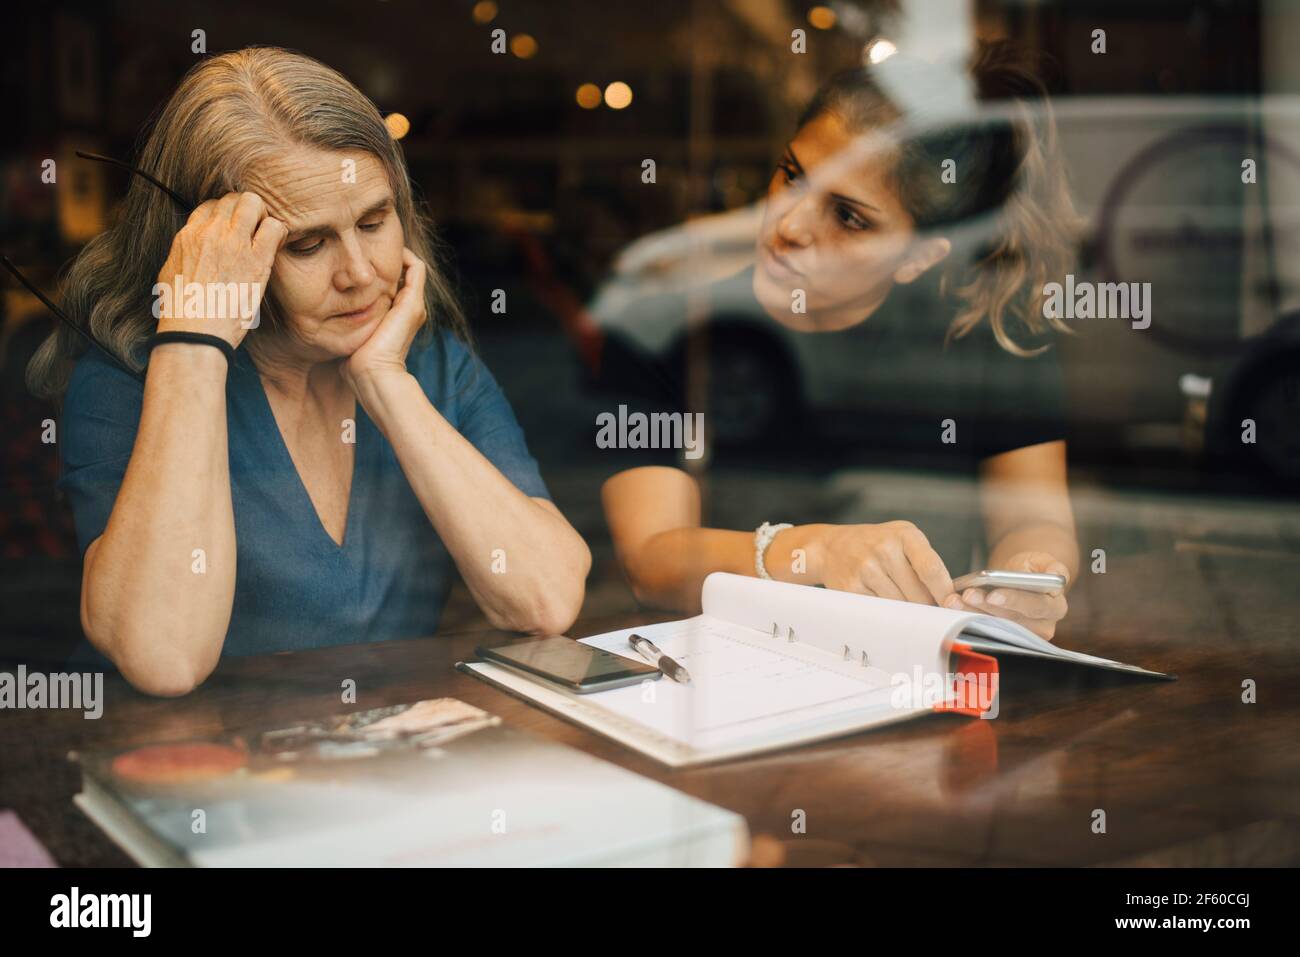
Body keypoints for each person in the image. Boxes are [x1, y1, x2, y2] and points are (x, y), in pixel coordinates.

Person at [27, 47, 591, 696]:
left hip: (370, 765)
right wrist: (194, 335)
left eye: (375, 221)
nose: (360, 272)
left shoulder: (435, 368)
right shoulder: (127, 379)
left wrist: (385, 381)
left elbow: (545, 599)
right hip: (179, 775)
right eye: (307, 243)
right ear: (212, 247)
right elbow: (164, 656)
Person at [600, 43, 1078, 639]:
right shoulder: (670, 326)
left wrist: (1029, 577)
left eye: (849, 217)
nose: (789, 226)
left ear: (919, 257)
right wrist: (816, 552)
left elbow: (1035, 519)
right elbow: (652, 560)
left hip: (910, 674)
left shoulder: (990, 332)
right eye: (792, 175)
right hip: (721, 675)